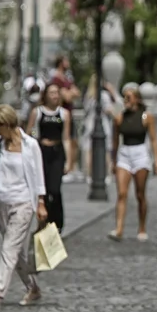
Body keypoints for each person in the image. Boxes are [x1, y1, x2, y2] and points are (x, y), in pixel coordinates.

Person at [0, 105, 46, 308]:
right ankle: (32, 288)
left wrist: (40, 202)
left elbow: (39, 174)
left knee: (9, 247)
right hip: (2, 201)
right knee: (16, 253)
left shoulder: (30, 145)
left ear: (9, 124)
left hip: (23, 202)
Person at [108, 84, 157, 242]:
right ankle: (119, 229)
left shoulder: (146, 117)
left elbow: (153, 139)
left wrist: (156, 161)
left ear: (137, 99)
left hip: (140, 153)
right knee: (122, 193)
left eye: (129, 97)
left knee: (140, 194)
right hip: (124, 154)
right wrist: (114, 161)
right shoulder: (119, 118)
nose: (126, 101)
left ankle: (142, 227)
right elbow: (115, 142)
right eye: (124, 97)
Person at [25, 83, 74, 234]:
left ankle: (57, 222)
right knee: (42, 189)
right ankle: (43, 223)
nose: (55, 96)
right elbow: (28, 134)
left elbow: (66, 138)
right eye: (52, 93)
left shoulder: (64, 114)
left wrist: (69, 161)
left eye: (57, 93)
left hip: (57, 151)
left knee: (55, 189)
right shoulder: (37, 112)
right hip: (42, 152)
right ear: (45, 95)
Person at [49, 55, 83, 183]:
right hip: (61, 114)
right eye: (66, 60)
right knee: (65, 139)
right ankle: (66, 167)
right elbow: (67, 96)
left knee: (74, 141)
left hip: (70, 113)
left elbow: (76, 92)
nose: (68, 62)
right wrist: (69, 93)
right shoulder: (56, 78)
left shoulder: (67, 77)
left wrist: (70, 92)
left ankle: (72, 168)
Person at [81, 74, 118, 184]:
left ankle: (89, 175)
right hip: (102, 125)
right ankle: (107, 174)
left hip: (89, 124)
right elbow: (109, 109)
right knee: (106, 150)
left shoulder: (88, 96)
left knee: (89, 151)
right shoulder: (103, 95)